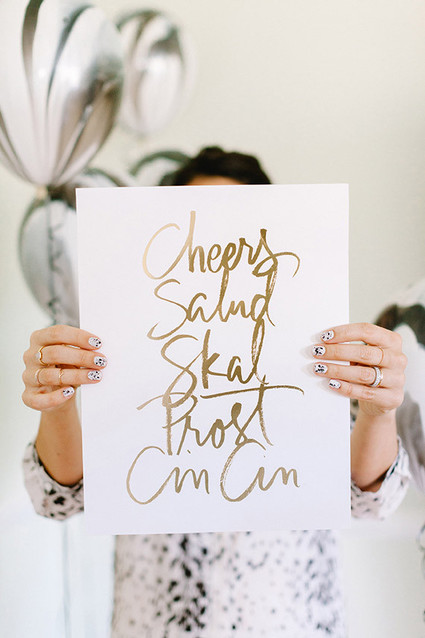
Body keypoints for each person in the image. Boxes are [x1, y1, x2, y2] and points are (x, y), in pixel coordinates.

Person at [22, 147, 410, 637]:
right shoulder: (126, 346)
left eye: (235, 223)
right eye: (198, 223)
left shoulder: (306, 349)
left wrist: (378, 413)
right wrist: (57, 403)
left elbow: (370, 500)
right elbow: (57, 497)